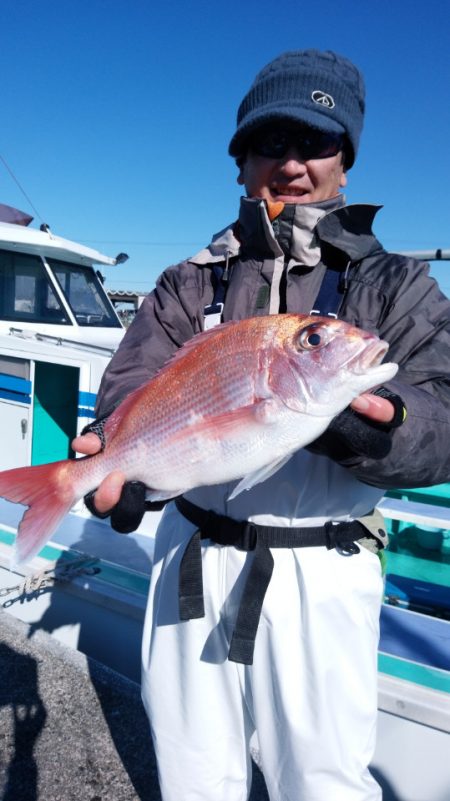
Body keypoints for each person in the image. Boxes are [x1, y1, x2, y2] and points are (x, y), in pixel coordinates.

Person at [73, 50, 450, 801]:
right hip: (189, 560)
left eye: (315, 142)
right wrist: (121, 479)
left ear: (346, 160)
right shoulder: (190, 280)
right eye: (270, 142)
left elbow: (442, 415)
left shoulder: (397, 285)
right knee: (192, 773)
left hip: (325, 571)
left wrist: (378, 428)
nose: (292, 164)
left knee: (322, 783)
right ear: (240, 162)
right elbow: (132, 392)